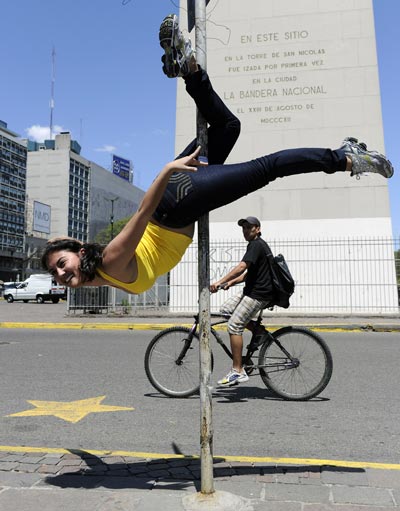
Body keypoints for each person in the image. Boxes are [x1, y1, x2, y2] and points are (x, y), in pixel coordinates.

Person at [41, 14, 394, 296]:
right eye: (57, 274)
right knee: (228, 128)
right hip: (175, 198)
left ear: (80, 253)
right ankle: (188, 66)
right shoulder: (98, 276)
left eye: (61, 263)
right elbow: (94, 264)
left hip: (176, 202)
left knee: (267, 168)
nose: (60, 273)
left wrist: (168, 169)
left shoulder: (111, 263)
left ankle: (345, 158)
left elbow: (144, 211)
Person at [210, 216, 276, 386]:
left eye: (249, 227)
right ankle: (258, 331)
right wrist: (231, 282)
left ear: (258, 229)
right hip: (251, 291)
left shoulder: (256, 244)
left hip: (258, 294)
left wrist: (218, 281)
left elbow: (242, 266)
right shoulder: (255, 245)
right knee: (226, 310)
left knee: (234, 325)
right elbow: (249, 273)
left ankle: (237, 371)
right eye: (243, 228)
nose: (245, 231)